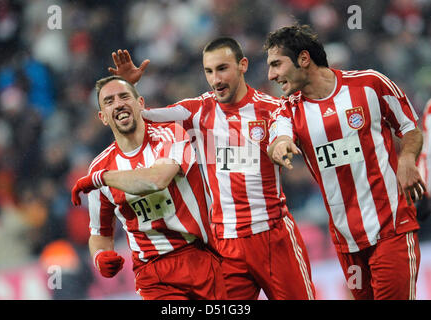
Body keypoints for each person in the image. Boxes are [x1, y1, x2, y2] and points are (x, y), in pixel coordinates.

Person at [108, 38, 315, 300]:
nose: (215, 79)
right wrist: (130, 87)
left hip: (273, 236)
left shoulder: (270, 109)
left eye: (222, 69)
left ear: (243, 65)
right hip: (226, 246)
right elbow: (145, 116)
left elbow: (282, 133)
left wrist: (280, 144)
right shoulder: (196, 111)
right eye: (209, 71)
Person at [265, 24, 424, 300]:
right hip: (346, 240)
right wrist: (279, 145)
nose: (271, 75)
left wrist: (408, 158)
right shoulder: (288, 110)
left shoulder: (370, 84)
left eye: (277, 64)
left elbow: (410, 129)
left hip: (391, 228)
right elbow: (279, 135)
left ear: (304, 59)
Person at [71, 75, 228, 300]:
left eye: (124, 96)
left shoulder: (171, 134)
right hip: (152, 274)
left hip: (199, 258)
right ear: (103, 117)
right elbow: (99, 233)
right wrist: (100, 256)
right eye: (109, 101)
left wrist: (102, 178)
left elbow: (157, 179)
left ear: (141, 104)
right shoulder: (99, 167)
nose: (118, 103)